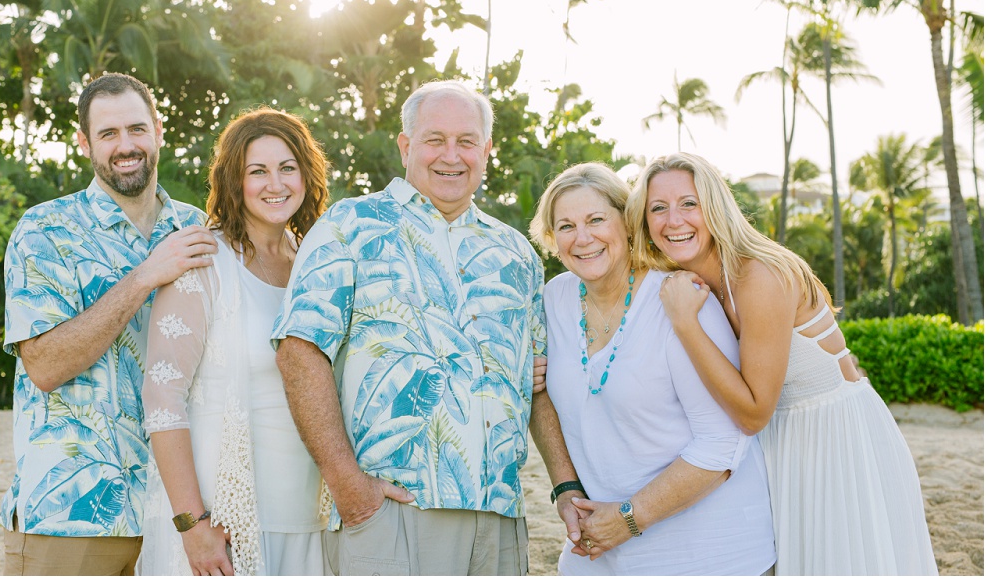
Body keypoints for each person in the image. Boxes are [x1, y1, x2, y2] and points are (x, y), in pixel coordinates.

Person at [272, 79, 583, 575]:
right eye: (435, 139)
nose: (451, 156)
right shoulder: (350, 225)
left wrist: (565, 485)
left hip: (500, 515)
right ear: (405, 146)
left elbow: (536, 386)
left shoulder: (515, 253)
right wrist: (346, 483)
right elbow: (299, 350)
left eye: (466, 142)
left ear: (486, 151)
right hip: (393, 510)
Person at [632, 155, 937, 576]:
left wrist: (686, 323)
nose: (673, 220)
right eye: (658, 208)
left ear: (716, 206)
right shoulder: (690, 281)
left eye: (689, 203)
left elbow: (755, 413)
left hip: (837, 441)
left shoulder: (759, 276)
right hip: (780, 444)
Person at [1, 74, 211, 578]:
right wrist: (144, 277)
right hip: (70, 516)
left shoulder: (197, 228)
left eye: (136, 129)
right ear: (84, 143)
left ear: (159, 130)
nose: (126, 146)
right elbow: (46, 365)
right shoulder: (44, 230)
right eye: (108, 134)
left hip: (176, 516)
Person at [530, 162, 775, 573]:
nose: (583, 238)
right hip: (602, 548)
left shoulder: (680, 299)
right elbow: (539, 395)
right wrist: (565, 487)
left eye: (595, 220)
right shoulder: (554, 299)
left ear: (627, 224)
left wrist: (629, 517)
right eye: (566, 226)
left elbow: (722, 443)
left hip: (708, 551)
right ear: (553, 239)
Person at [139, 109, 327, 578]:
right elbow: (163, 398)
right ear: (233, 181)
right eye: (256, 171)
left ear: (306, 175)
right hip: (223, 521)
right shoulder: (204, 260)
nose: (275, 183)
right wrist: (192, 524)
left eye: (287, 167)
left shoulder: (315, 262)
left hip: (310, 517)